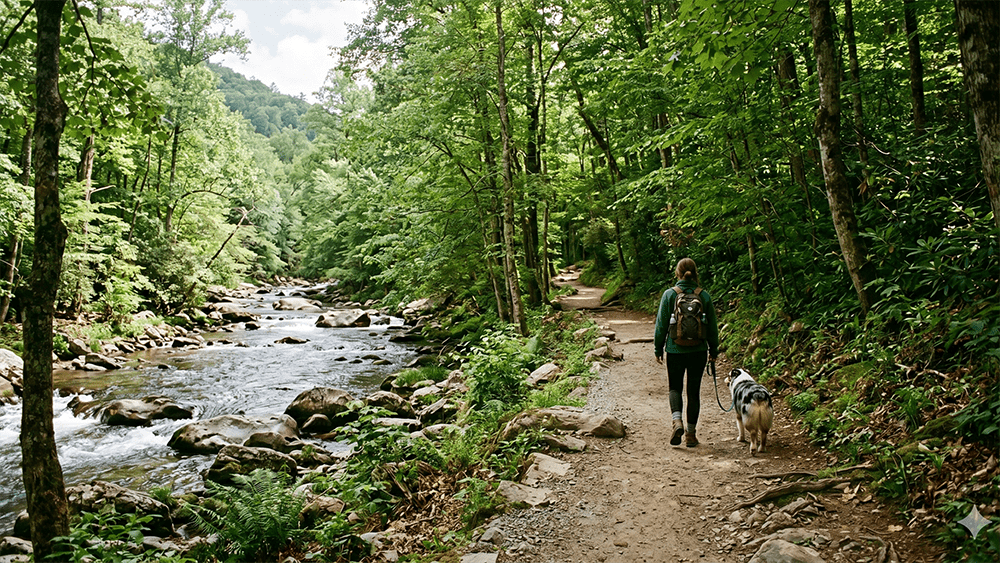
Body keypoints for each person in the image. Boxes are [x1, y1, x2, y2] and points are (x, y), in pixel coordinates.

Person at [654, 257, 720, 447]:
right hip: (698, 350)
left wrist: (658, 348)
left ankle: (677, 422)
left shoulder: (669, 295)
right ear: (695, 273)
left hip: (675, 350)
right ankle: (691, 435)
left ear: (677, 273)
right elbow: (712, 327)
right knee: (693, 391)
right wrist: (713, 349)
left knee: (675, 387)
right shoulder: (704, 296)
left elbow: (661, 324)